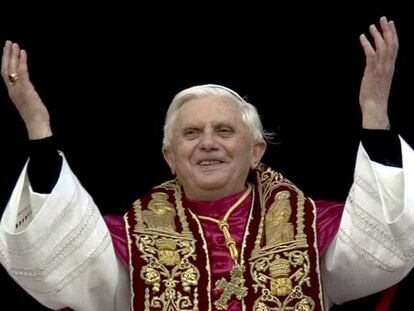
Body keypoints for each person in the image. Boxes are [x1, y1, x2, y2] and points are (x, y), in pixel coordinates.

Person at [0, 16, 413, 311]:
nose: (208, 144)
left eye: (225, 131)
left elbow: (386, 240)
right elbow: (55, 259)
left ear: (256, 151)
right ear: (170, 158)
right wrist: (40, 129)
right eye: (192, 133)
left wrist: (374, 113)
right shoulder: (127, 239)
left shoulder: (311, 225)